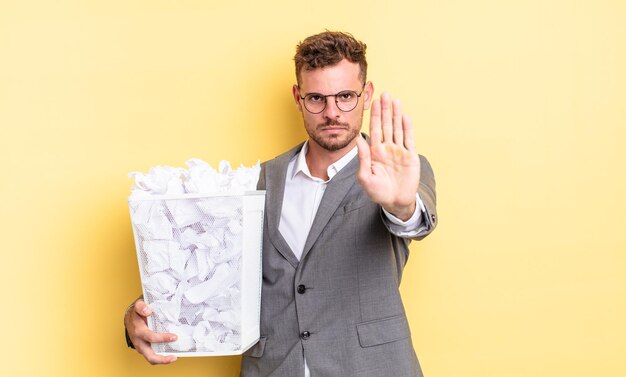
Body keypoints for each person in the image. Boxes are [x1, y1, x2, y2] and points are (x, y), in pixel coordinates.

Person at [124, 31, 437, 377]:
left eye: (346, 96)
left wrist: (402, 206)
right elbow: (205, 268)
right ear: (298, 98)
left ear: (367, 95)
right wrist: (138, 318)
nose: (332, 112)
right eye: (317, 98)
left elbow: (413, 218)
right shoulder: (257, 180)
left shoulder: (398, 172)